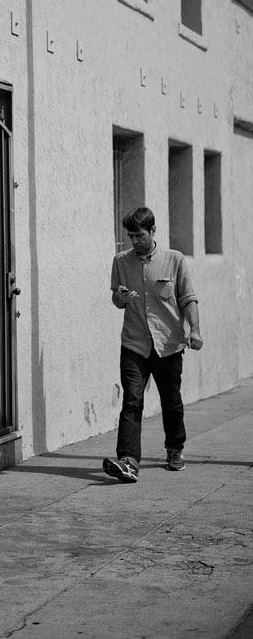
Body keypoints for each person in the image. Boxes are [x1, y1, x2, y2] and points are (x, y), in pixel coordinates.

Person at [103, 206, 203, 483]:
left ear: (153, 231)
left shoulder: (174, 260)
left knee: (171, 402)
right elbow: (116, 300)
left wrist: (195, 330)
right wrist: (121, 297)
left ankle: (174, 450)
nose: (133, 241)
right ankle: (128, 460)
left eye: (139, 235)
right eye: (130, 236)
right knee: (132, 401)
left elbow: (187, 298)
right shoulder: (121, 262)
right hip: (134, 344)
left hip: (168, 344)